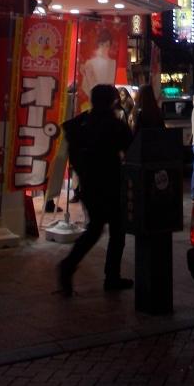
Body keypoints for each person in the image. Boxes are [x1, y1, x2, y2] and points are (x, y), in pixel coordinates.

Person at [58, 84, 134, 296]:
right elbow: (131, 147)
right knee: (117, 231)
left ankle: (69, 265)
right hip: (111, 184)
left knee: (94, 229)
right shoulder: (114, 125)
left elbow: (74, 157)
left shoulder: (82, 124)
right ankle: (111, 276)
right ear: (112, 101)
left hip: (89, 185)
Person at [79, 28, 117, 98]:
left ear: (110, 46)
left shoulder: (113, 63)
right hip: (94, 99)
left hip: (108, 99)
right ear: (98, 44)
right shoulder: (89, 63)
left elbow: (112, 84)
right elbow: (85, 86)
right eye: (102, 45)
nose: (104, 48)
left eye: (107, 45)